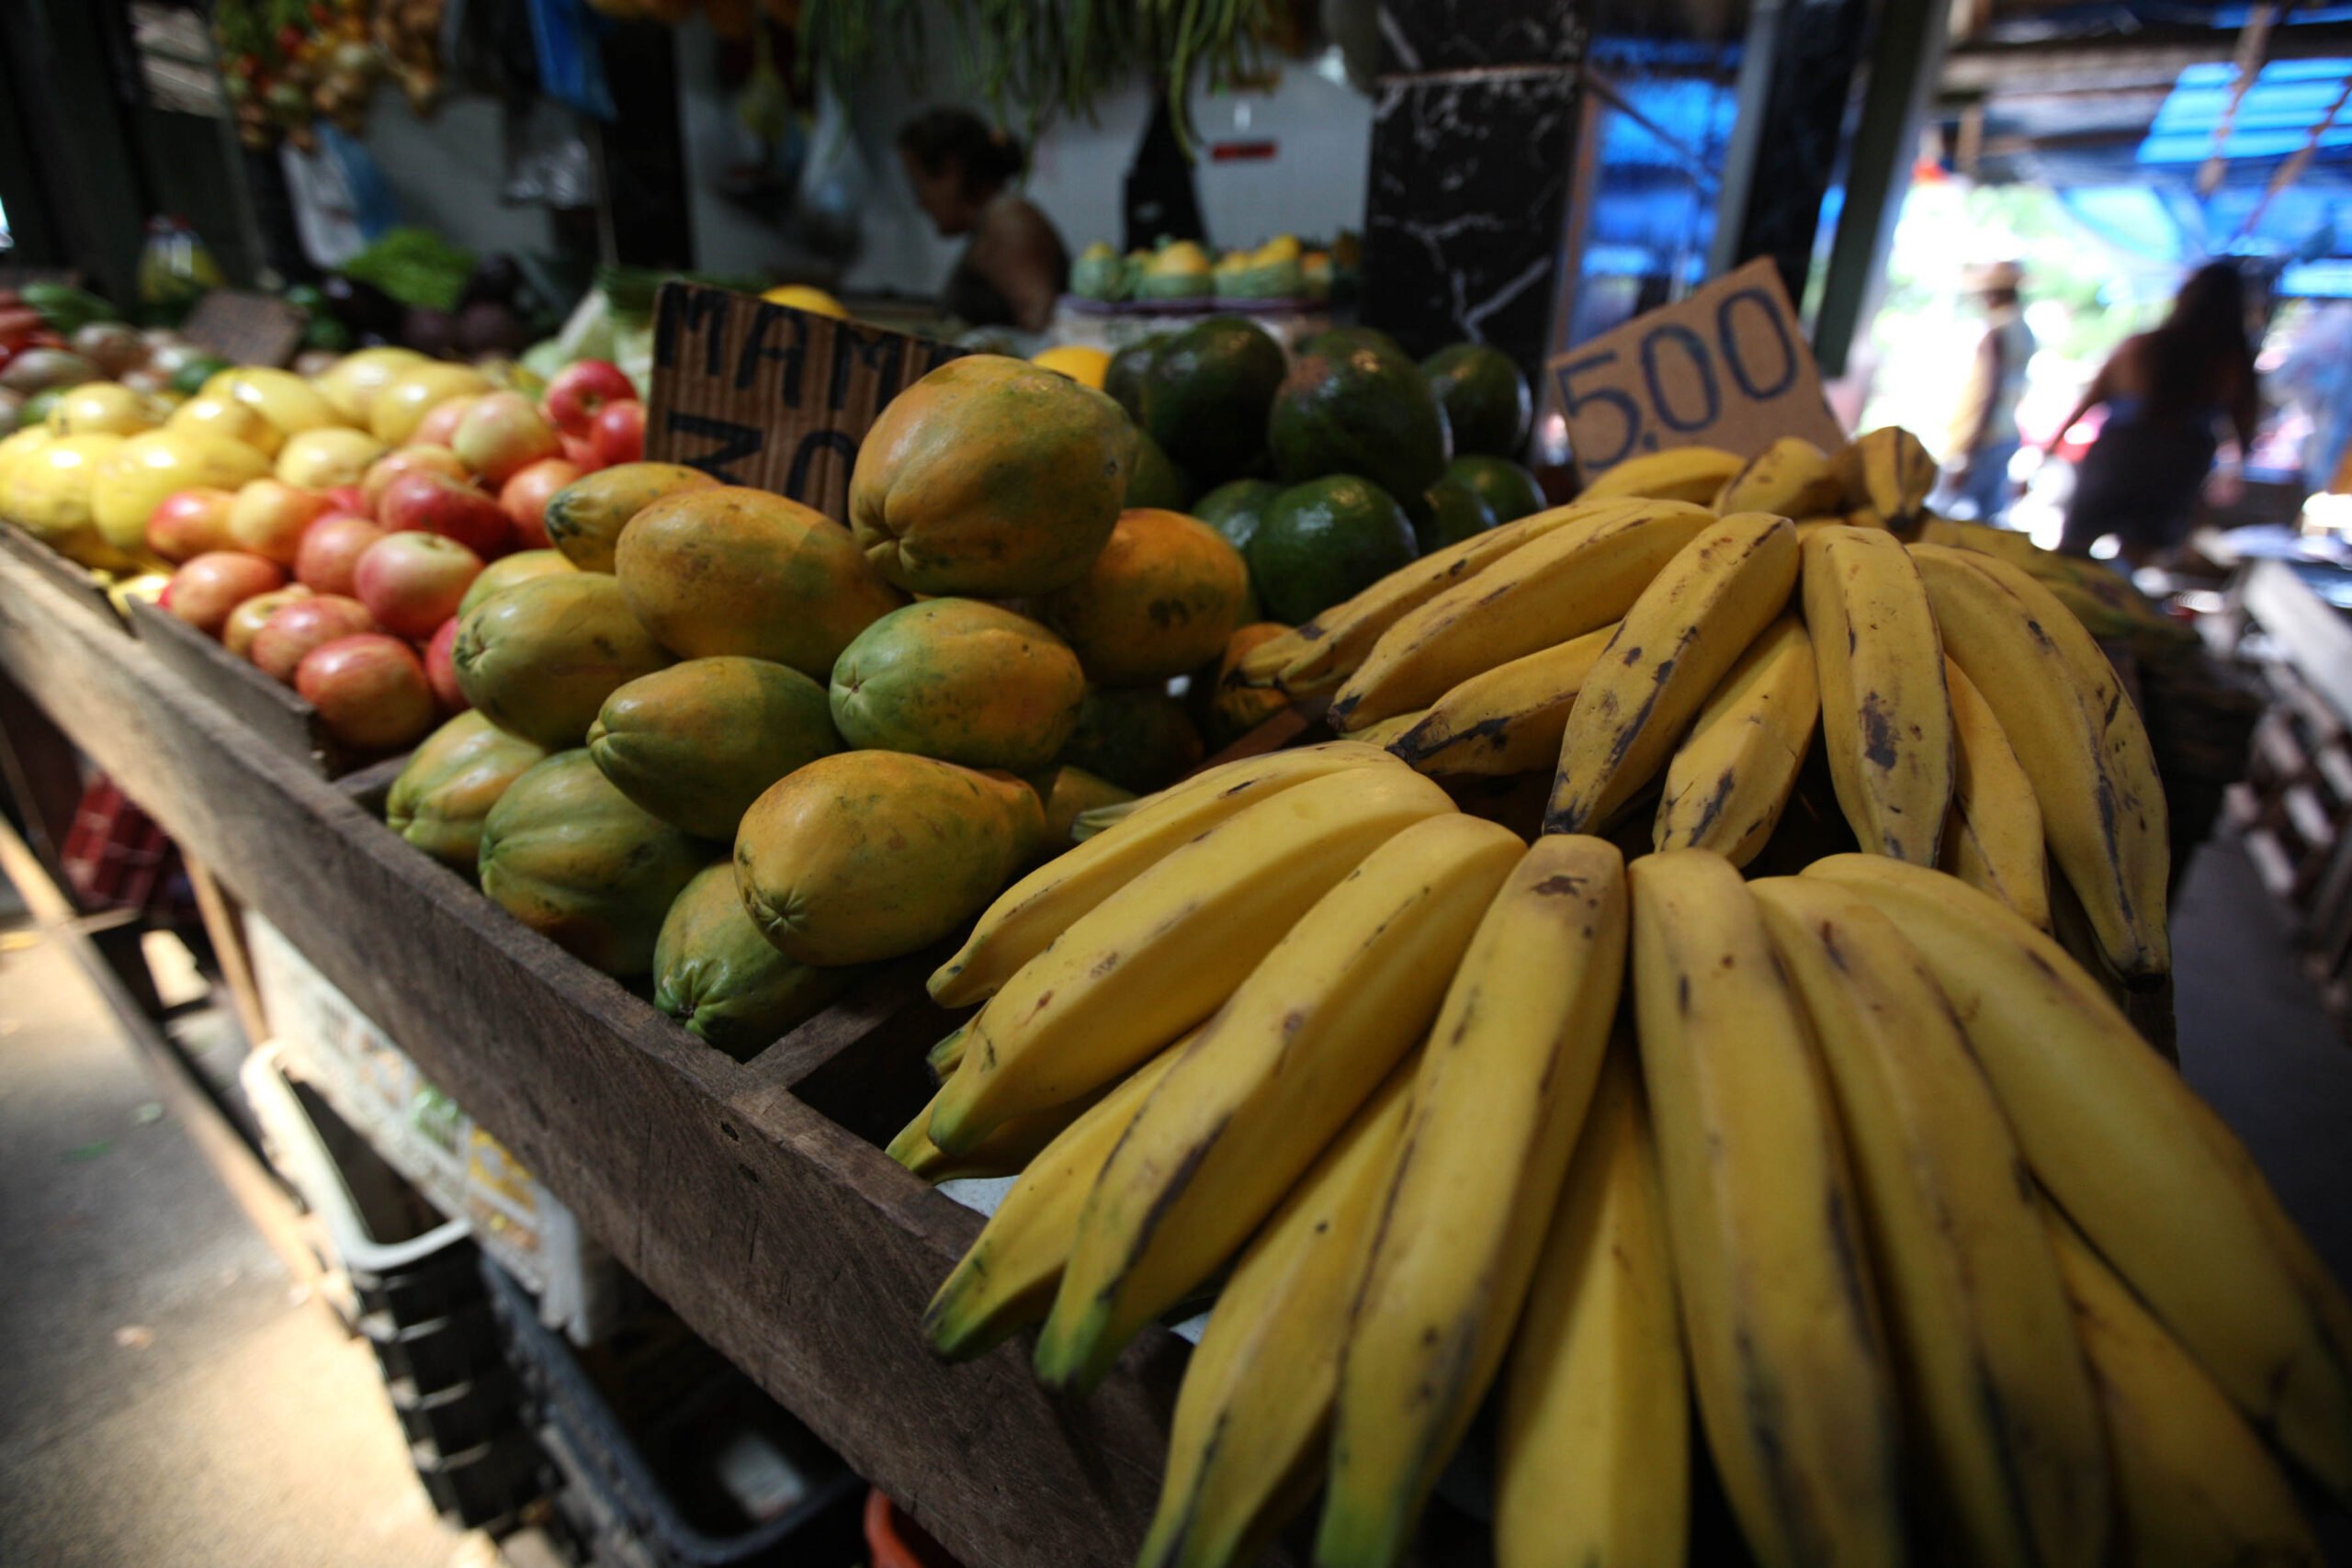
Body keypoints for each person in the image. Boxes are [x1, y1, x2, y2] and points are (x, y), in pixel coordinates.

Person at [2048, 261, 2261, 562]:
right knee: (2134, 565)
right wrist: (2233, 474)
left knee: (2070, 554)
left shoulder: (2140, 347)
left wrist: (2049, 451)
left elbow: (2090, 401)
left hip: (2118, 456)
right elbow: (2244, 426)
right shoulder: (2230, 362)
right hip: (2177, 467)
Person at [897, 108, 1069, 333]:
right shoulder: (990, 224)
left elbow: (1041, 321)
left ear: (951, 171)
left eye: (918, 184)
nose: (920, 203)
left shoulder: (1008, 220)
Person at [1941, 261, 2035, 526]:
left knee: (1957, 519)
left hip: (1986, 436)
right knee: (1987, 514)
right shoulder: (2024, 330)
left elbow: (1988, 392)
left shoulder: (1997, 333)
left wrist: (1966, 453)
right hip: (2007, 433)